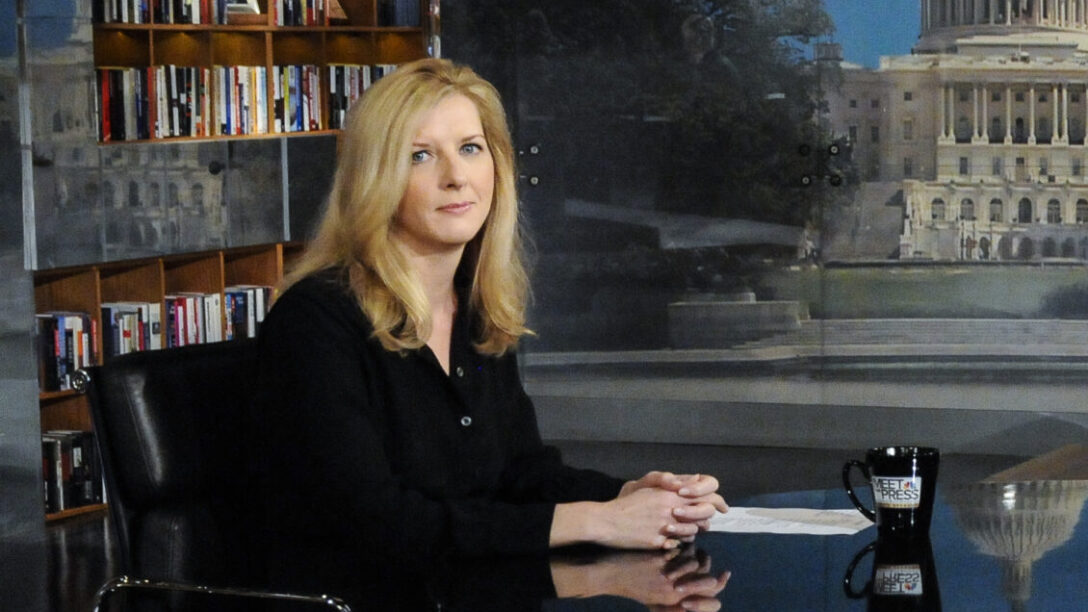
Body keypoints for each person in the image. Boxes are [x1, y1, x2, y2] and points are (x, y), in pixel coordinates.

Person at [252, 57, 727, 599]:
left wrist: (630, 496)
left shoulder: (474, 311)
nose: (455, 176)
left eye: (470, 148)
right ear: (375, 177)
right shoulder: (314, 323)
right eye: (420, 155)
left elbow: (520, 474)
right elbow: (375, 523)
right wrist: (597, 522)